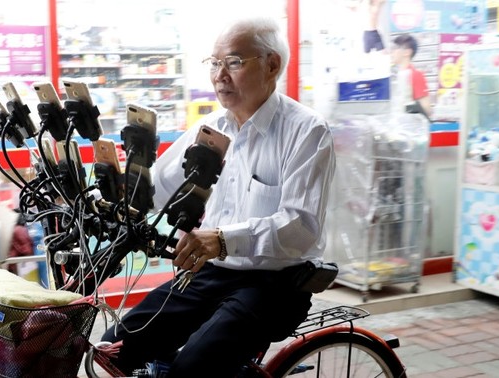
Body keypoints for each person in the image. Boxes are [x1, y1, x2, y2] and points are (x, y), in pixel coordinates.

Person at [101, 17, 336, 377]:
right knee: (113, 348)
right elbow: (157, 189)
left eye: (234, 62)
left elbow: (300, 227)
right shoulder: (211, 128)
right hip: (209, 274)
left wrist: (223, 239)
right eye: (214, 63)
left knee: (191, 368)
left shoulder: (306, 131)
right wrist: (115, 193)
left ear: (272, 65)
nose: (219, 75)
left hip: (274, 284)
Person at [391, 33, 432, 118]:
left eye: (395, 48)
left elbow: (426, 109)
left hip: (410, 127)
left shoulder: (416, 75)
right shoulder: (394, 76)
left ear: (407, 52)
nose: (392, 52)